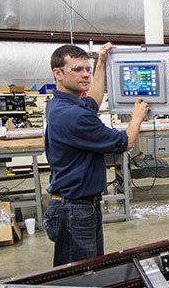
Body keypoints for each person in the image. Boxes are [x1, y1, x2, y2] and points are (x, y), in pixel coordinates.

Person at [44, 44, 150, 266]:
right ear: (58, 73)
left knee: (90, 268)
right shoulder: (73, 115)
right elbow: (124, 142)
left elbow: (92, 100)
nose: (84, 74)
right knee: (81, 277)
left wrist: (101, 62)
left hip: (78, 206)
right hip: (75, 210)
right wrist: (137, 117)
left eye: (87, 69)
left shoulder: (61, 104)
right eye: (77, 69)